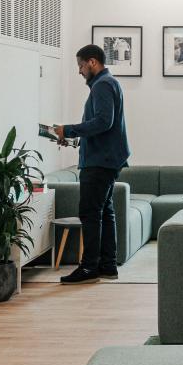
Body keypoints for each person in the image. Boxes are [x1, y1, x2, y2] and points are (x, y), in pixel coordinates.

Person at [53, 44, 129, 283]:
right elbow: (103, 127)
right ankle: (107, 266)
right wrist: (75, 141)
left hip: (100, 162)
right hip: (105, 158)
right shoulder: (107, 84)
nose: (80, 71)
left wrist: (70, 129)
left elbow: (103, 122)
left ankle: (89, 268)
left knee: (90, 213)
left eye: (81, 66)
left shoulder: (102, 85)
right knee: (104, 212)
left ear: (93, 62)